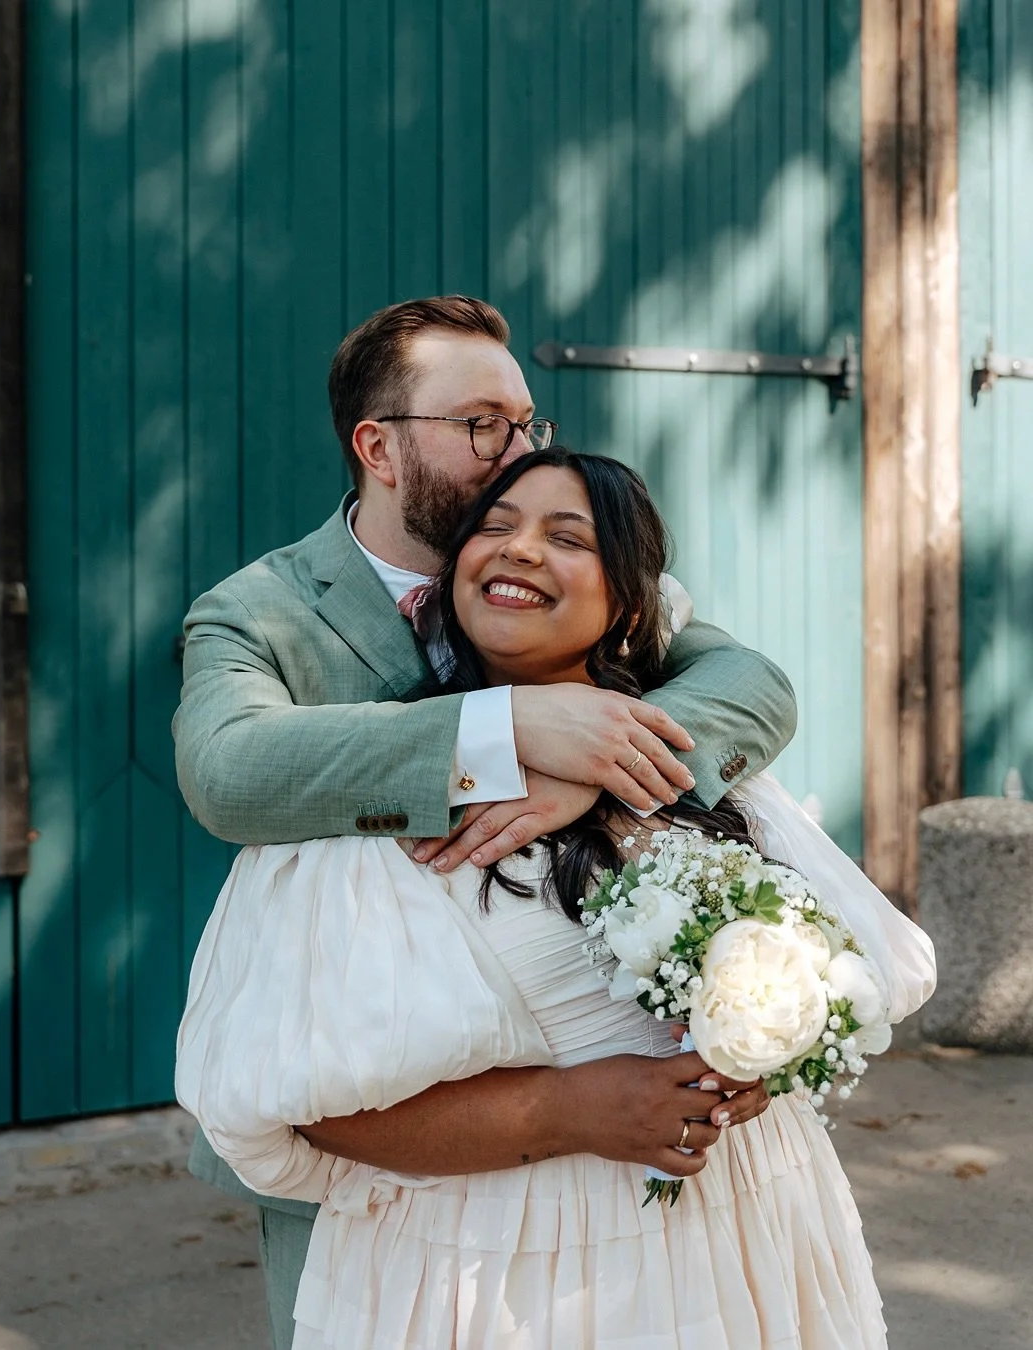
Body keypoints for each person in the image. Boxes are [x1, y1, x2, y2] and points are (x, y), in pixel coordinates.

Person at [176, 448, 936, 1348]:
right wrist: (567, 1110)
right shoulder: (393, 804)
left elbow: (838, 963)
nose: (519, 548)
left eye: (565, 537)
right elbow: (321, 1109)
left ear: (629, 603)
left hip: (754, 1221)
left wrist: (765, 1045)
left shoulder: (693, 763)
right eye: (492, 528)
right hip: (515, 1270)